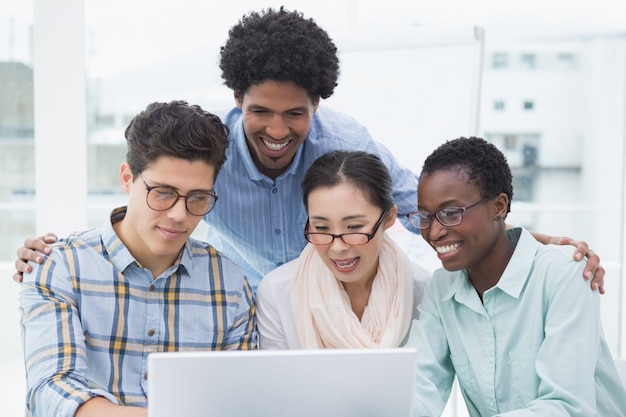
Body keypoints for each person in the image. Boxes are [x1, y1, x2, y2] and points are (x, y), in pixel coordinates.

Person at [13, 8, 605, 292]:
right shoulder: (211, 149)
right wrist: (61, 247)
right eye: (260, 111)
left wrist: (524, 242)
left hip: (332, 290)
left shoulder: (343, 144)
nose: (276, 129)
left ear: (316, 105)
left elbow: (425, 211)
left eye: (294, 112)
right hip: (244, 299)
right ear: (237, 98)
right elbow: (156, 201)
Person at [19, 101, 257, 417]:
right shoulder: (60, 267)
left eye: (198, 198)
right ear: (128, 178)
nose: (178, 215)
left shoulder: (229, 284)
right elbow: (52, 391)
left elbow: (242, 401)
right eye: (162, 192)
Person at [408, 137, 626, 416]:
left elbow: (566, 407)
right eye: (426, 217)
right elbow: (421, 387)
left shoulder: (565, 273)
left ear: (499, 207)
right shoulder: (441, 288)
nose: (434, 232)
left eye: (451, 213)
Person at [256, 150, 431, 349]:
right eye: (321, 228)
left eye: (354, 227)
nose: (338, 247)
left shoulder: (424, 292)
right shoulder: (277, 291)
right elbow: (277, 379)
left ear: (389, 217)